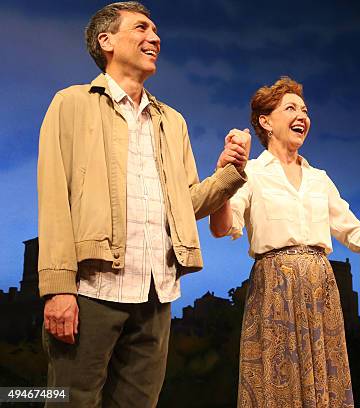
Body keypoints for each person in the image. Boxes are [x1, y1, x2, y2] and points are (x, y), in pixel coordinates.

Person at [37, 2, 248, 406]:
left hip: (157, 292)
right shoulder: (71, 104)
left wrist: (227, 173)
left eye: (156, 31)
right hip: (91, 289)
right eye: (142, 28)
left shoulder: (173, 121)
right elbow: (53, 200)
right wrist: (58, 289)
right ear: (107, 40)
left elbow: (186, 204)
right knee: (70, 400)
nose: (155, 38)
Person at [209, 76, 360, 407]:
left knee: (324, 386)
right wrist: (224, 179)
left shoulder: (320, 180)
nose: (302, 115)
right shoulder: (253, 173)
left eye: (305, 110)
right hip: (275, 289)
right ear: (266, 121)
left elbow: (358, 238)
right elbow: (222, 227)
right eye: (291, 108)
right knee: (277, 384)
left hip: (320, 290)